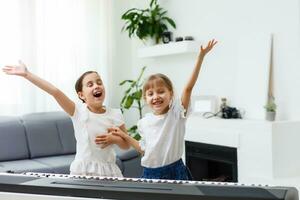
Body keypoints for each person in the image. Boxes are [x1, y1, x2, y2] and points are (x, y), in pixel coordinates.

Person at [108, 39, 217, 180]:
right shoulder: (145, 122)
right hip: (150, 174)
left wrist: (200, 57)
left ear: (170, 93)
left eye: (161, 91)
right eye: (150, 94)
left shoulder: (177, 113)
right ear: (145, 98)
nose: (156, 97)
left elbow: (188, 88)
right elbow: (143, 149)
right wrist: (125, 136)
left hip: (174, 171)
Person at [2, 62, 130, 177]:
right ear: (81, 95)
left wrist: (114, 139)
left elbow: (126, 145)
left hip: (110, 171)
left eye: (99, 82)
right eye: (90, 84)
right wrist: (27, 74)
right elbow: (55, 92)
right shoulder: (78, 111)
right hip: (83, 171)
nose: (96, 86)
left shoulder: (116, 114)